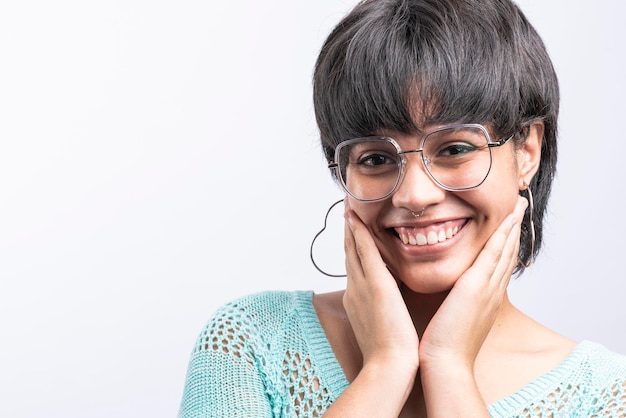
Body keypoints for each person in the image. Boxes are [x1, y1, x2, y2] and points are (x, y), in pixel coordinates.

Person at [178, 0, 626, 416]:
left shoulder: (604, 395)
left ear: (527, 150)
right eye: (375, 159)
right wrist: (386, 368)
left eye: (454, 149)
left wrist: (448, 367)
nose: (413, 195)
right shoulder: (251, 344)